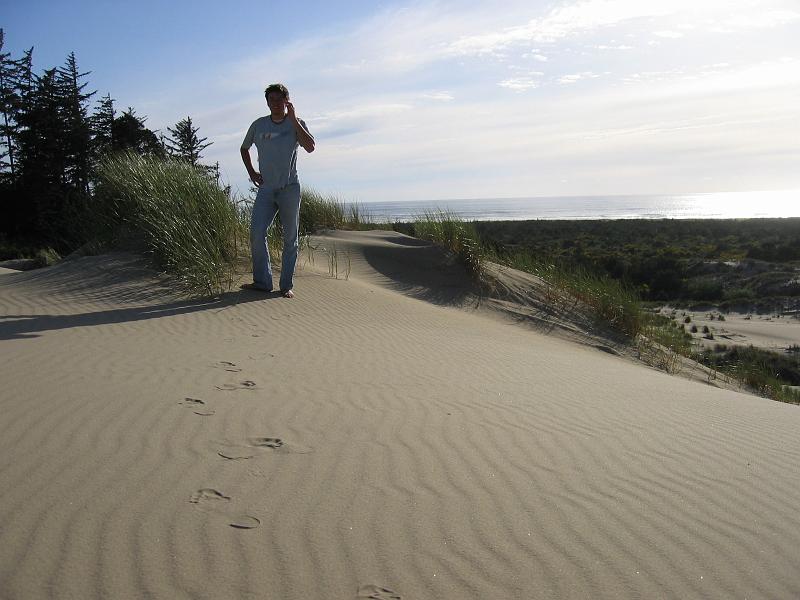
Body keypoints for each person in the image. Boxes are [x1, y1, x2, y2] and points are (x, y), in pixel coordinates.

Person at [240, 83, 315, 298]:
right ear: (267, 102)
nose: (275, 103)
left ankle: (286, 286)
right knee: (256, 232)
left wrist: (293, 119)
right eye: (271, 100)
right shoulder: (259, 125)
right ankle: (262, 282)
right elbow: (244, 148)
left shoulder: (296, 124)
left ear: (287, 101)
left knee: (290, 237)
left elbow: (310, 147)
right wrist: (252, 172)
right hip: (266, 189)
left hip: (289, 188)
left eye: (279, 99)